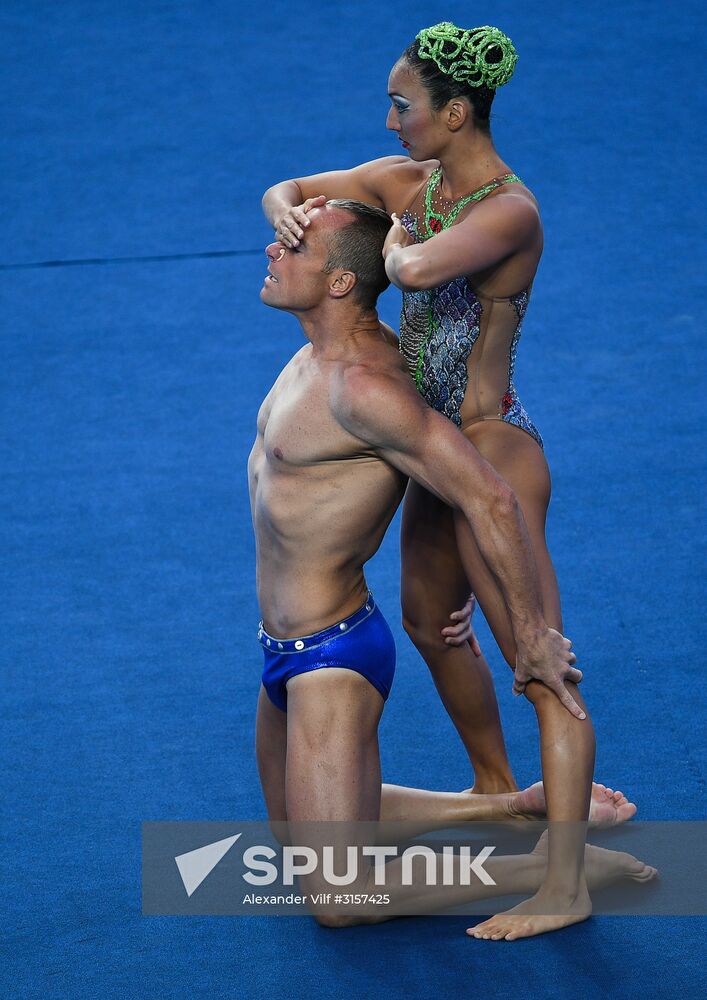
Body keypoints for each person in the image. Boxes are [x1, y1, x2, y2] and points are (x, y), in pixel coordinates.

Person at [261, 23, 637, 938]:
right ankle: (500, 791)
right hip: (425, 441)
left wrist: (372, 236)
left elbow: (415, 264)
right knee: (432, 623)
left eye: (402, 105)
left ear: (455, 112)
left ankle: (563, 882)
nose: (389, 122)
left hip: (485, 434)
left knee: (538, 658)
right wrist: (289, 210)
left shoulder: (507, 210)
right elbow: (295, 188)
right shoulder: (408, 188)